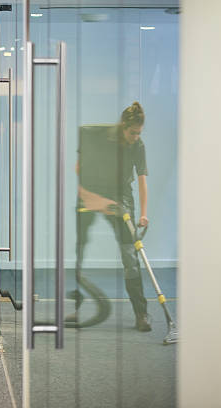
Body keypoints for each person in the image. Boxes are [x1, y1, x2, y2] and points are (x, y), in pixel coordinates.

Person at [73, 102, 151, 332]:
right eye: (132, 132)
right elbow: (78, 168)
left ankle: (141, 313)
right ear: (123, 127)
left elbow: (143, 181)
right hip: (92, 190)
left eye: (139, 133)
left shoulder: (138, 145)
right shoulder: (97, 136)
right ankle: (75, 307)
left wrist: (144, 214)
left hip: (121, 197)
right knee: (80, 248)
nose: (136, 137)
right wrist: (94, 200)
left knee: (130, 257)